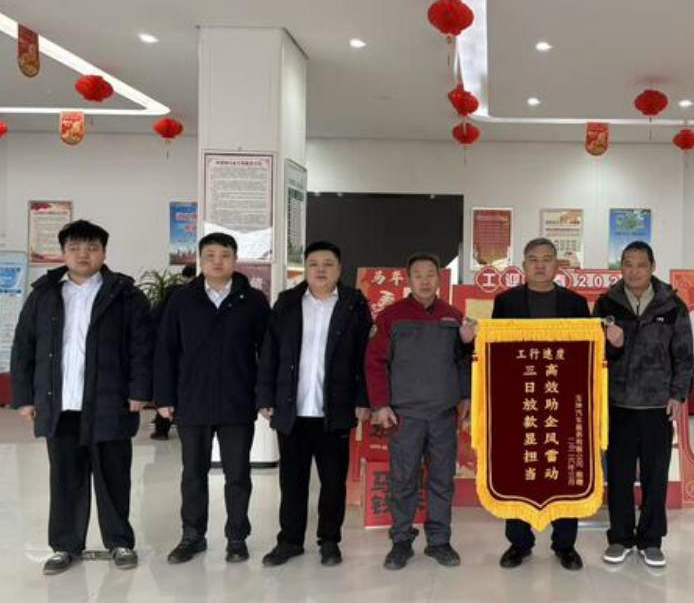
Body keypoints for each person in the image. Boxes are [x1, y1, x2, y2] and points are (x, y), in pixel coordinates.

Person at [10, 220, 152, 575]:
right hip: (61, 405)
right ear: (63, 253)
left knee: (113, 477)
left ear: (104, 252)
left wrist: (139, 391)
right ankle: (65, 546)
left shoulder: (125, 295)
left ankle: (119, 542)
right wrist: (25, 397)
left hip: (109, 403)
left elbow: (142, 347)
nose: (83, 254)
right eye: (74, 248)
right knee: (65, 479)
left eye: (91, 248)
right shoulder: (44, 294)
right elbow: (23, 347)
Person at [154, 233, 270, 565]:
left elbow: (268, 352)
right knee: (193, 473)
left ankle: (237, 537)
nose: (217, 261)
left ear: (235, 259)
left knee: (238, 474)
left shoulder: (253, 300)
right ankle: (192, 535)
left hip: (237, 401)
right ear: (200, 260)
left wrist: (264, 396)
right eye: (210, 255)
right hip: (192, 401)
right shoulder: (181, 299)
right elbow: (165, 349)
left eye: (224, 255)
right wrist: (164, 397)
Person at [256, 241, 373, 567]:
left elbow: (365, 355)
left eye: (328, 263)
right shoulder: (287, 302)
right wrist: (265, 396)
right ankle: (290, 540)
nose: (321, 270)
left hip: (334, 409)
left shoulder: (354, 304)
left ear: (340, 268)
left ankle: (329, 540)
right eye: (314, 264)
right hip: (292, 409)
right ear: (305, 268)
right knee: (291, 482)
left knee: (333, 482)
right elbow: (269, 353)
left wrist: (363, 399)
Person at [365, 252, 472, 570]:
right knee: (403, 480)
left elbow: (464, 361)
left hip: (442, 415)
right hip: (404, 416)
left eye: (430, 274)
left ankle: (439, 541)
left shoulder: (453, 316)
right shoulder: (391, 316)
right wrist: (380, 404)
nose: (425, 281)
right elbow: (375, 362)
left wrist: (466, 395)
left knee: (442, 480)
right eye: (418, 275)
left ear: (439, 278)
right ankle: (401, 541)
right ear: (408, 279)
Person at [491, 237, 590, 572]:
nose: (540, 265)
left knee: (565, 471)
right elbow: (495, 354)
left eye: (547, 259)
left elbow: (588, 355)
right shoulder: (506, 302)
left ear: (557, 265)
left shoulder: (576, 304)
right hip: (519, 402)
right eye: (533, 259)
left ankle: (565, 545)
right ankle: (519, 543)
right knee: (519, 471)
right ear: (523, 265)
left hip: (564, 401)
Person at [593, 241, 694, 569]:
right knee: (618, 476)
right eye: (628, 264)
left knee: (655, 476)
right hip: (617, 404)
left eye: (641, 264)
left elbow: (683, 356)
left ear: (652, 267)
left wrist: (678, 394)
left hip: (656, 406)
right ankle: (620, 538)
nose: (634, 271)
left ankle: (651, 540)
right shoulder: (606, 304)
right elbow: (594, 355)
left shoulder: (671, 305)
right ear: (620, 267)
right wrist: (612, 346)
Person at [150, 263, 196, 440]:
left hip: (174, 346)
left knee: (171, 387)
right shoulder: (178, 293)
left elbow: (155, 315)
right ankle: (162, 426)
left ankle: (162, 429)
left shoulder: (175, 291)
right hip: (177, 346)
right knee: (171, 386)